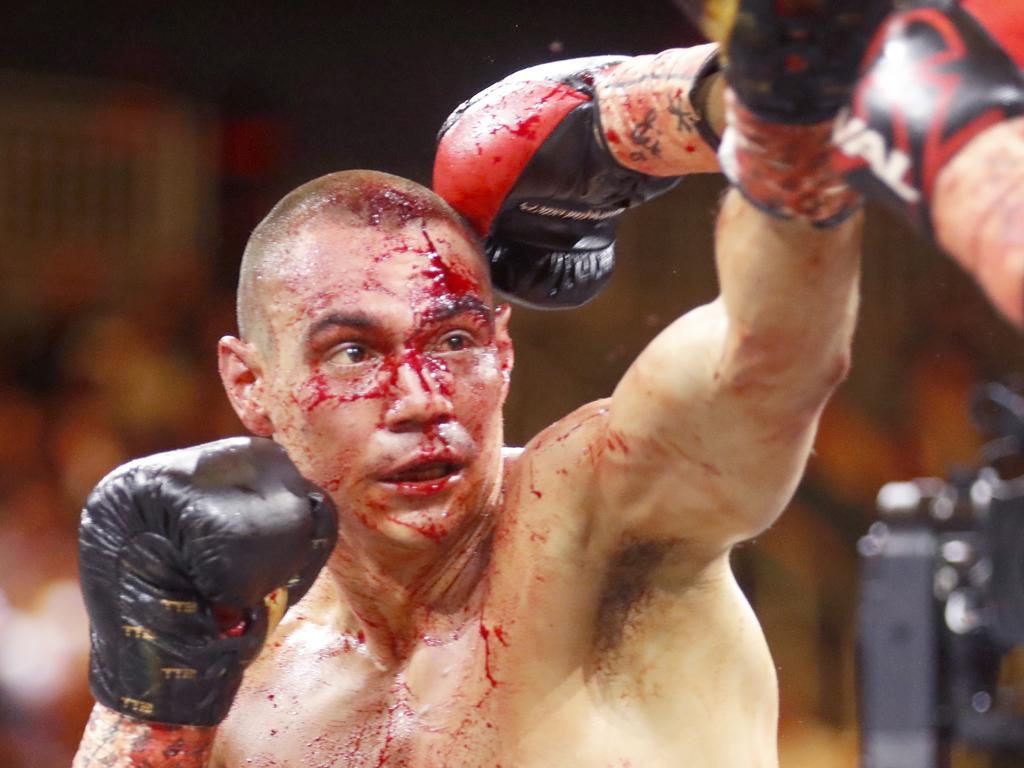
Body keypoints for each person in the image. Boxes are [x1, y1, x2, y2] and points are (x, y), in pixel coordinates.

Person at [72, 2, 877, 765]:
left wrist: (709, 101)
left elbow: (772, 352)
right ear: (251, 385)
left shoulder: (601, 523)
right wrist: (147, 705)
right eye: (353, 353)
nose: (422, 398)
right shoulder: (249, 681)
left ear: (505, 351)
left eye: (454, 340)